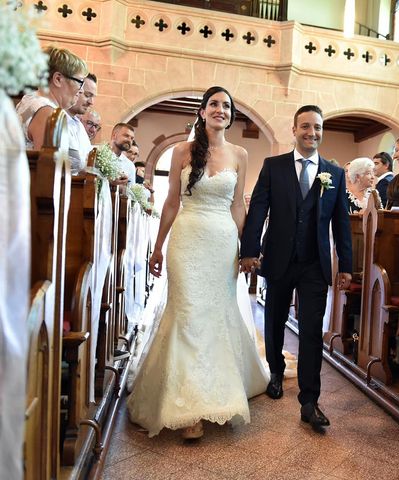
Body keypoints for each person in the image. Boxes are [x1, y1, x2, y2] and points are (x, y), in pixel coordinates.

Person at [127, 86, 269, 440]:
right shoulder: (182, 151)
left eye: (227, 105)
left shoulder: (240, 153)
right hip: (187, 240)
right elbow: (172, 201)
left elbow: (238, 205)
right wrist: (158, 247)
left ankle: (215, 395)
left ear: (231, 114)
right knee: (187, 314)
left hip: (222, 243)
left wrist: (246, 248)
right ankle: (188, 409)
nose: (221, 109)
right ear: (203, 112)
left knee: (215, 316)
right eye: (214, 104)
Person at [240, 105, 352, 432]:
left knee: (312, 330)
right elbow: (259, 208)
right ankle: (275, 371)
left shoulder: (334, 173)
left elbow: (341, 223)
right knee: (274, 320)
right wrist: (250, 250)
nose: (311, 133)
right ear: (294, 129)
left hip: (314, 264)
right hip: (277, 257)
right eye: (305, 126)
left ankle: (310, 400)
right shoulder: (273, 167)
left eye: (317, 127)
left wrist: (346, 265)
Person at [16, 46, 88, 150]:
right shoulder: (47, 112)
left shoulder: (30, 100)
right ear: (58, 79)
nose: (81, 90)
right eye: (80, 82)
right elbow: (47, 164)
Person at [66, 73, 97, 174]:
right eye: (87, 95)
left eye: (93, 97)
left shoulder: (79, 126)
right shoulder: (57, 117)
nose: (91, 102)